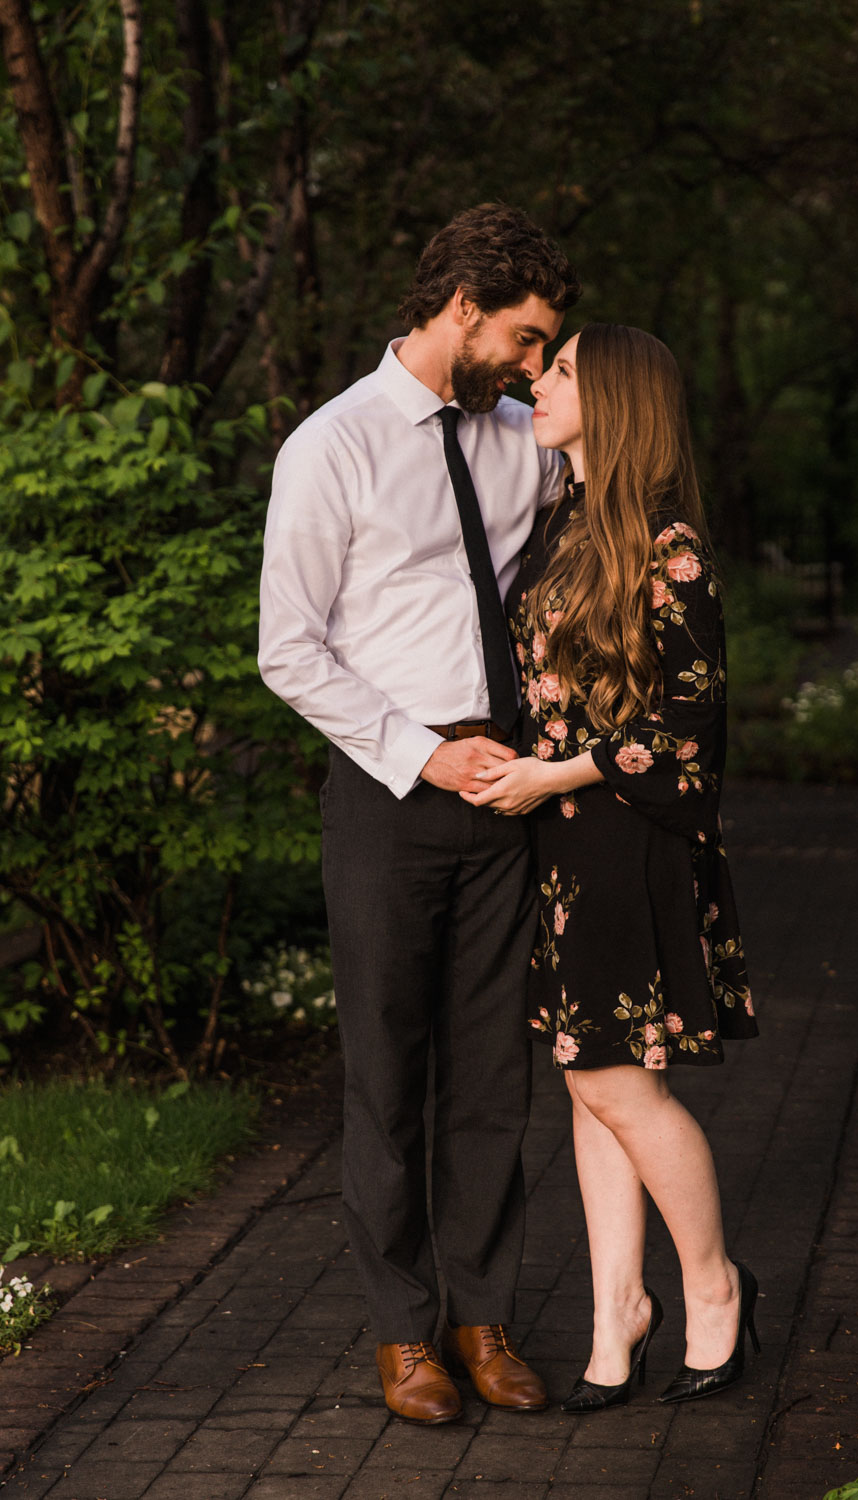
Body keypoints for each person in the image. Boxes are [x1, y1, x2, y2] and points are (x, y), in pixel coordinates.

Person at [258, 204, 581, 1424]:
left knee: (494, 1073)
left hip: (512, 792)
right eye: (527, 336)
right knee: (388, 1073)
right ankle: (404, 1335)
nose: (538, 362)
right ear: (462, 313)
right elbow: (286, 652)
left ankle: (481, 1318)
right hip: (390, 792)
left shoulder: (523, 440)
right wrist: (417, 756)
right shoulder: (329, 448)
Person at [463, 322, 760, 1411]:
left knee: (611, 1080)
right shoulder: (558, 526)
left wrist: (557, 775)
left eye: (563, 371)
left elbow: (690, 728)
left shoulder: (667, 544)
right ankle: (615, 1314)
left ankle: (715, 1289)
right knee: (587, 1088)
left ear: (620, 398)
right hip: (556, 846)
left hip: (628, 839)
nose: (537, 383)